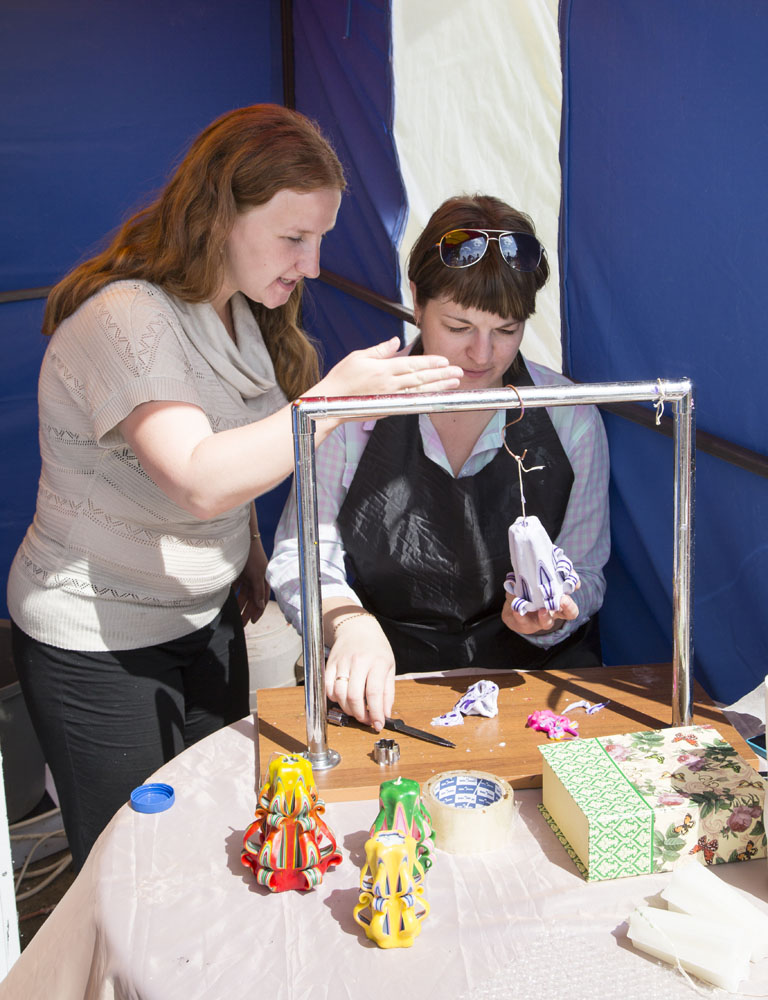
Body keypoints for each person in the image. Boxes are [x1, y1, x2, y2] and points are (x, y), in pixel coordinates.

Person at [6, 104, 462, 870]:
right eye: (294, 238)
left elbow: (231, 442)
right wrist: (331, 404)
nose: (312, 265)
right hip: (101, 643)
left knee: (210, 840)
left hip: (206, 620)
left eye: (320, 239)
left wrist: (245, 545)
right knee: (133, 868)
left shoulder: (241, 314)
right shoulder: (127, 319)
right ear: (220, 215)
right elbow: (196, 477)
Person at [268, 194, 610, 733]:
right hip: (390, 680)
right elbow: (300, 556)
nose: (482, 355)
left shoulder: (571, 416)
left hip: (536, 680)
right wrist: (348, 624)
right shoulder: (355, 411)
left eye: (506, 330)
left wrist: (553, 614)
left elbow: (586, 570)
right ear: (416, 300)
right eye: (458, 326)